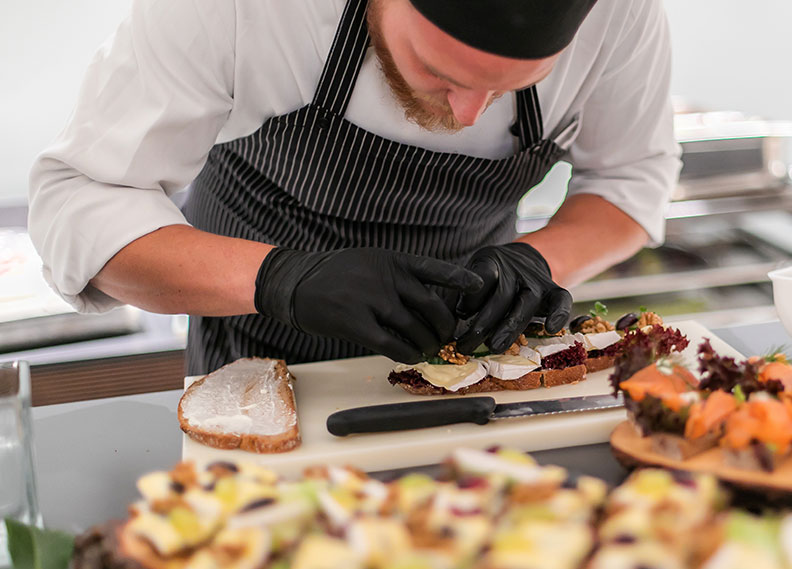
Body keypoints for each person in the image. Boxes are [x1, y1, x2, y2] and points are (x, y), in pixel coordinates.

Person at [28, 0, 681, 375]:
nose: (468, 115)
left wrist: (541, 261)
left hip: (471, 373)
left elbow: (632, 177)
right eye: (437, 71)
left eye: (509, 88)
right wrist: (280, 278)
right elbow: (80, 201)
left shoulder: (620, 14)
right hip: (261, 370)